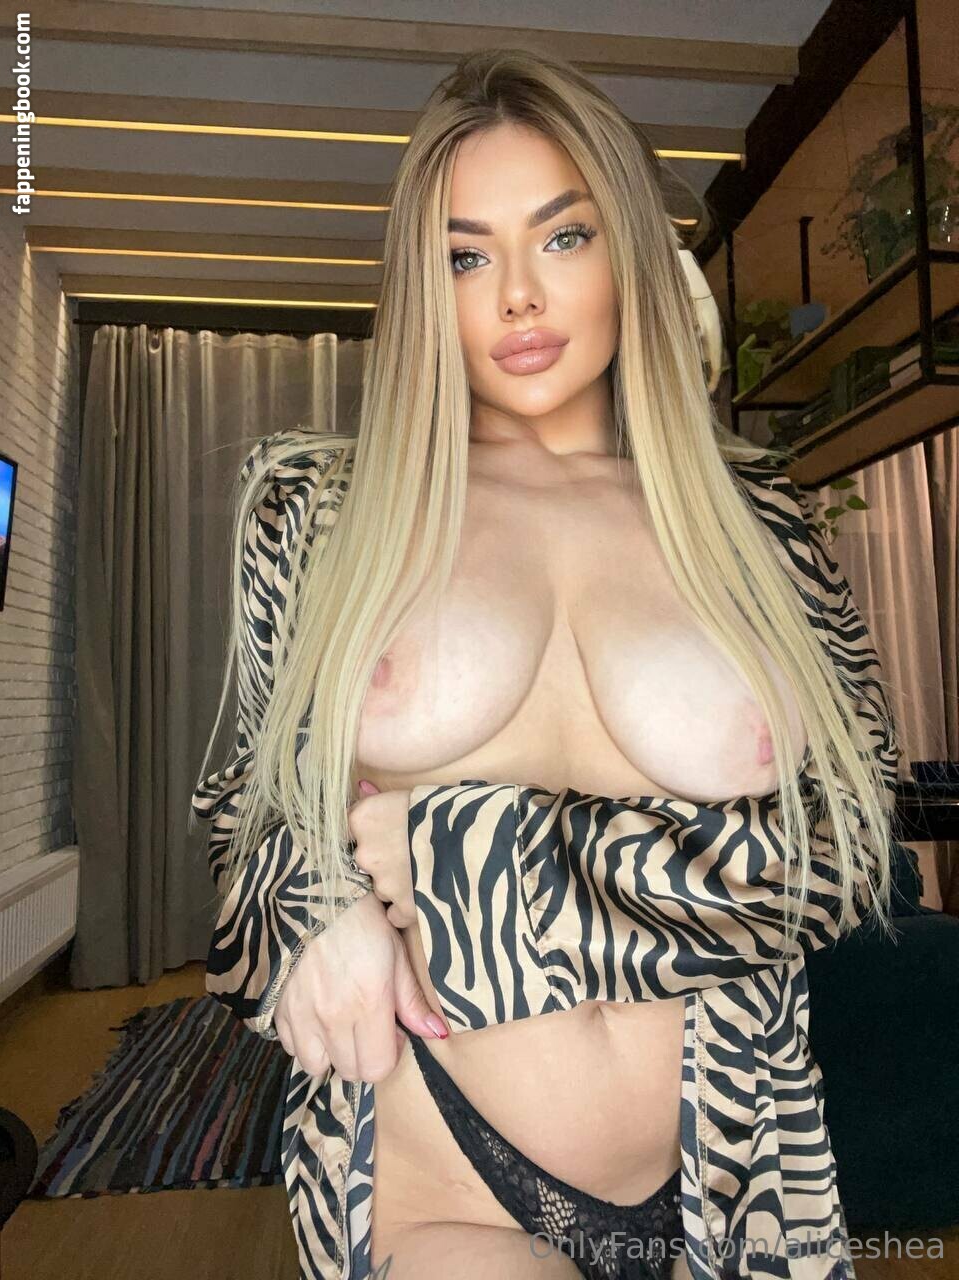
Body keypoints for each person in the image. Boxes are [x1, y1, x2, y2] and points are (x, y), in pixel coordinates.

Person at [191, 48, 901, 1280]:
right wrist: (313, 906)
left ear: (629, 251)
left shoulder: (763, 523)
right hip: (443, 1174)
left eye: (562, 237)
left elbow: (853, 844)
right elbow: (246, 818)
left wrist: (480, 861)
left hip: (739, 1170)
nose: (517, 296)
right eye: (467, 258)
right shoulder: (318, 511)